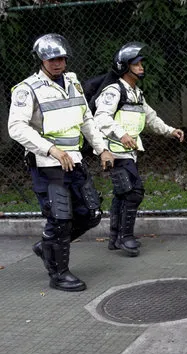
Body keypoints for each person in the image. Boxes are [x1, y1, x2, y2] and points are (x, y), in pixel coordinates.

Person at [8, 33, 114, 292]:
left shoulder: (73, 82)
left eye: (61, 58)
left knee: (91, 214)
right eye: (51, 59)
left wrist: (102, 148)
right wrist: (50, 149)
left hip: (74, 161)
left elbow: (87, 119)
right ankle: (58, 273)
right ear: (42, 60)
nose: (57, 63)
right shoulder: (27, 89)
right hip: (47, 165)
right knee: (60, 219)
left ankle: (47, 244)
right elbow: (16, 127)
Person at [93, 42, 185, 257]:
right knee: (134, 191)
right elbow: (101, 117)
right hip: (115, 151)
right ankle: (126, 237)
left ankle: (115, 238)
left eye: (141, 63)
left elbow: (150, 117)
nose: (141, 66)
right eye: (136, 63)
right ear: (124, 66)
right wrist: (121, 134)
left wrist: (170, 131)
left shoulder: (136, 93)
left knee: (122, 194)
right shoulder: (113, 91)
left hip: (129, 153)